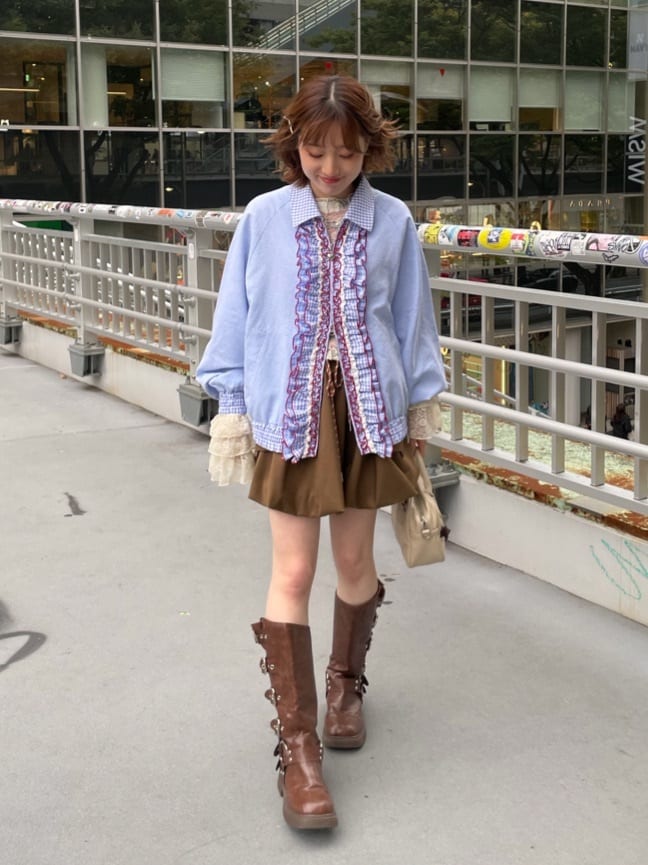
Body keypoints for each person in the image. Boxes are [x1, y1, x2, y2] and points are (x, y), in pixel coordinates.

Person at [196, 75, 446, 831]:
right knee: (293, 571)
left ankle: (345, 685)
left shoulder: (393, 221)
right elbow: (236, 316)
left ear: (369, 148)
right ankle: (299, 752)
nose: (330, 167)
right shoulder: (264, 217)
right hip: (290, 410)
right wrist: (233, 405)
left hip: (368, 413)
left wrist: (418, 411)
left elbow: (412, 320)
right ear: (293, 146)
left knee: (355, 564)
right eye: (315, 150)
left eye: (346, 152)